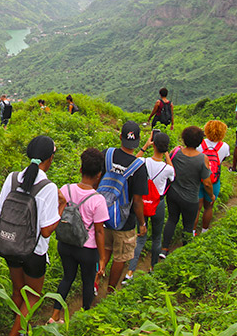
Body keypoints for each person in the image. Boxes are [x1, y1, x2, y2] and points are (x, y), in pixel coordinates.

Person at [0, 136, 62, 336]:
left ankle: (20, 327)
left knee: (18, 292)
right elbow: (46, 231)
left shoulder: (12, 178)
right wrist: (62, 207)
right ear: (50, 159)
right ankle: (15, 333)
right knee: (33, 297)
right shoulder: (49, 188)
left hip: (10, 244)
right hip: (34, 253)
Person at [47, 148, 109, 323]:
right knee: (88, 282)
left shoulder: (64, 190)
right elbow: (99, 231)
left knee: (67, 277)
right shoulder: (98, 200)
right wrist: (102, 258)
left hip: (65, 244)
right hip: (87, 249)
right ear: (99, 175)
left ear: (81, 169)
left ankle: (54, 315)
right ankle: (84, 317)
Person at [99, 121, 148, 290]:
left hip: (102, 214)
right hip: (125, 221)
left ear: (120, 136)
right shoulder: (139, 167)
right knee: (120, 257)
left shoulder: (107, 155)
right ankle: (110, 291)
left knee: (104, 251)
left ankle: (95, 285)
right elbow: (138, 201)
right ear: (139, 140)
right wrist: (141, 223)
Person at [124, 131, 174, 281]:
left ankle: (130, 272)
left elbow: (131, 163)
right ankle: (153, 268)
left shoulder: (144, 161)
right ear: (166, 148)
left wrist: (145, 146)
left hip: (142, 203)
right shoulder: (167, 169)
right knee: (157, 237)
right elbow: (173, 175)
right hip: (158, 203)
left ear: (154, 145)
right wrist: (166, 154)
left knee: (140, 237)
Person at [160, 126, 214, 259]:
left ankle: (164, 249)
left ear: (184, 139)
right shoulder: (202, 158)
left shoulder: (176, 151)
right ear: (200, 141)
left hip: (173, 194)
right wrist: (211, 195)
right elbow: (207, 183)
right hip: (190, 198)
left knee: (172, 220)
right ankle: (185, 253)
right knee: (188, 226)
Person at [193, 120, 230, 234]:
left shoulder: (200, 144)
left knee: (197, 208)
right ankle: (205, 230)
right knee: (209, 207)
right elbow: (223, 160)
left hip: (198, 179)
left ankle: (192, 232)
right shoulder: (224, 146)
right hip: (213, 180)